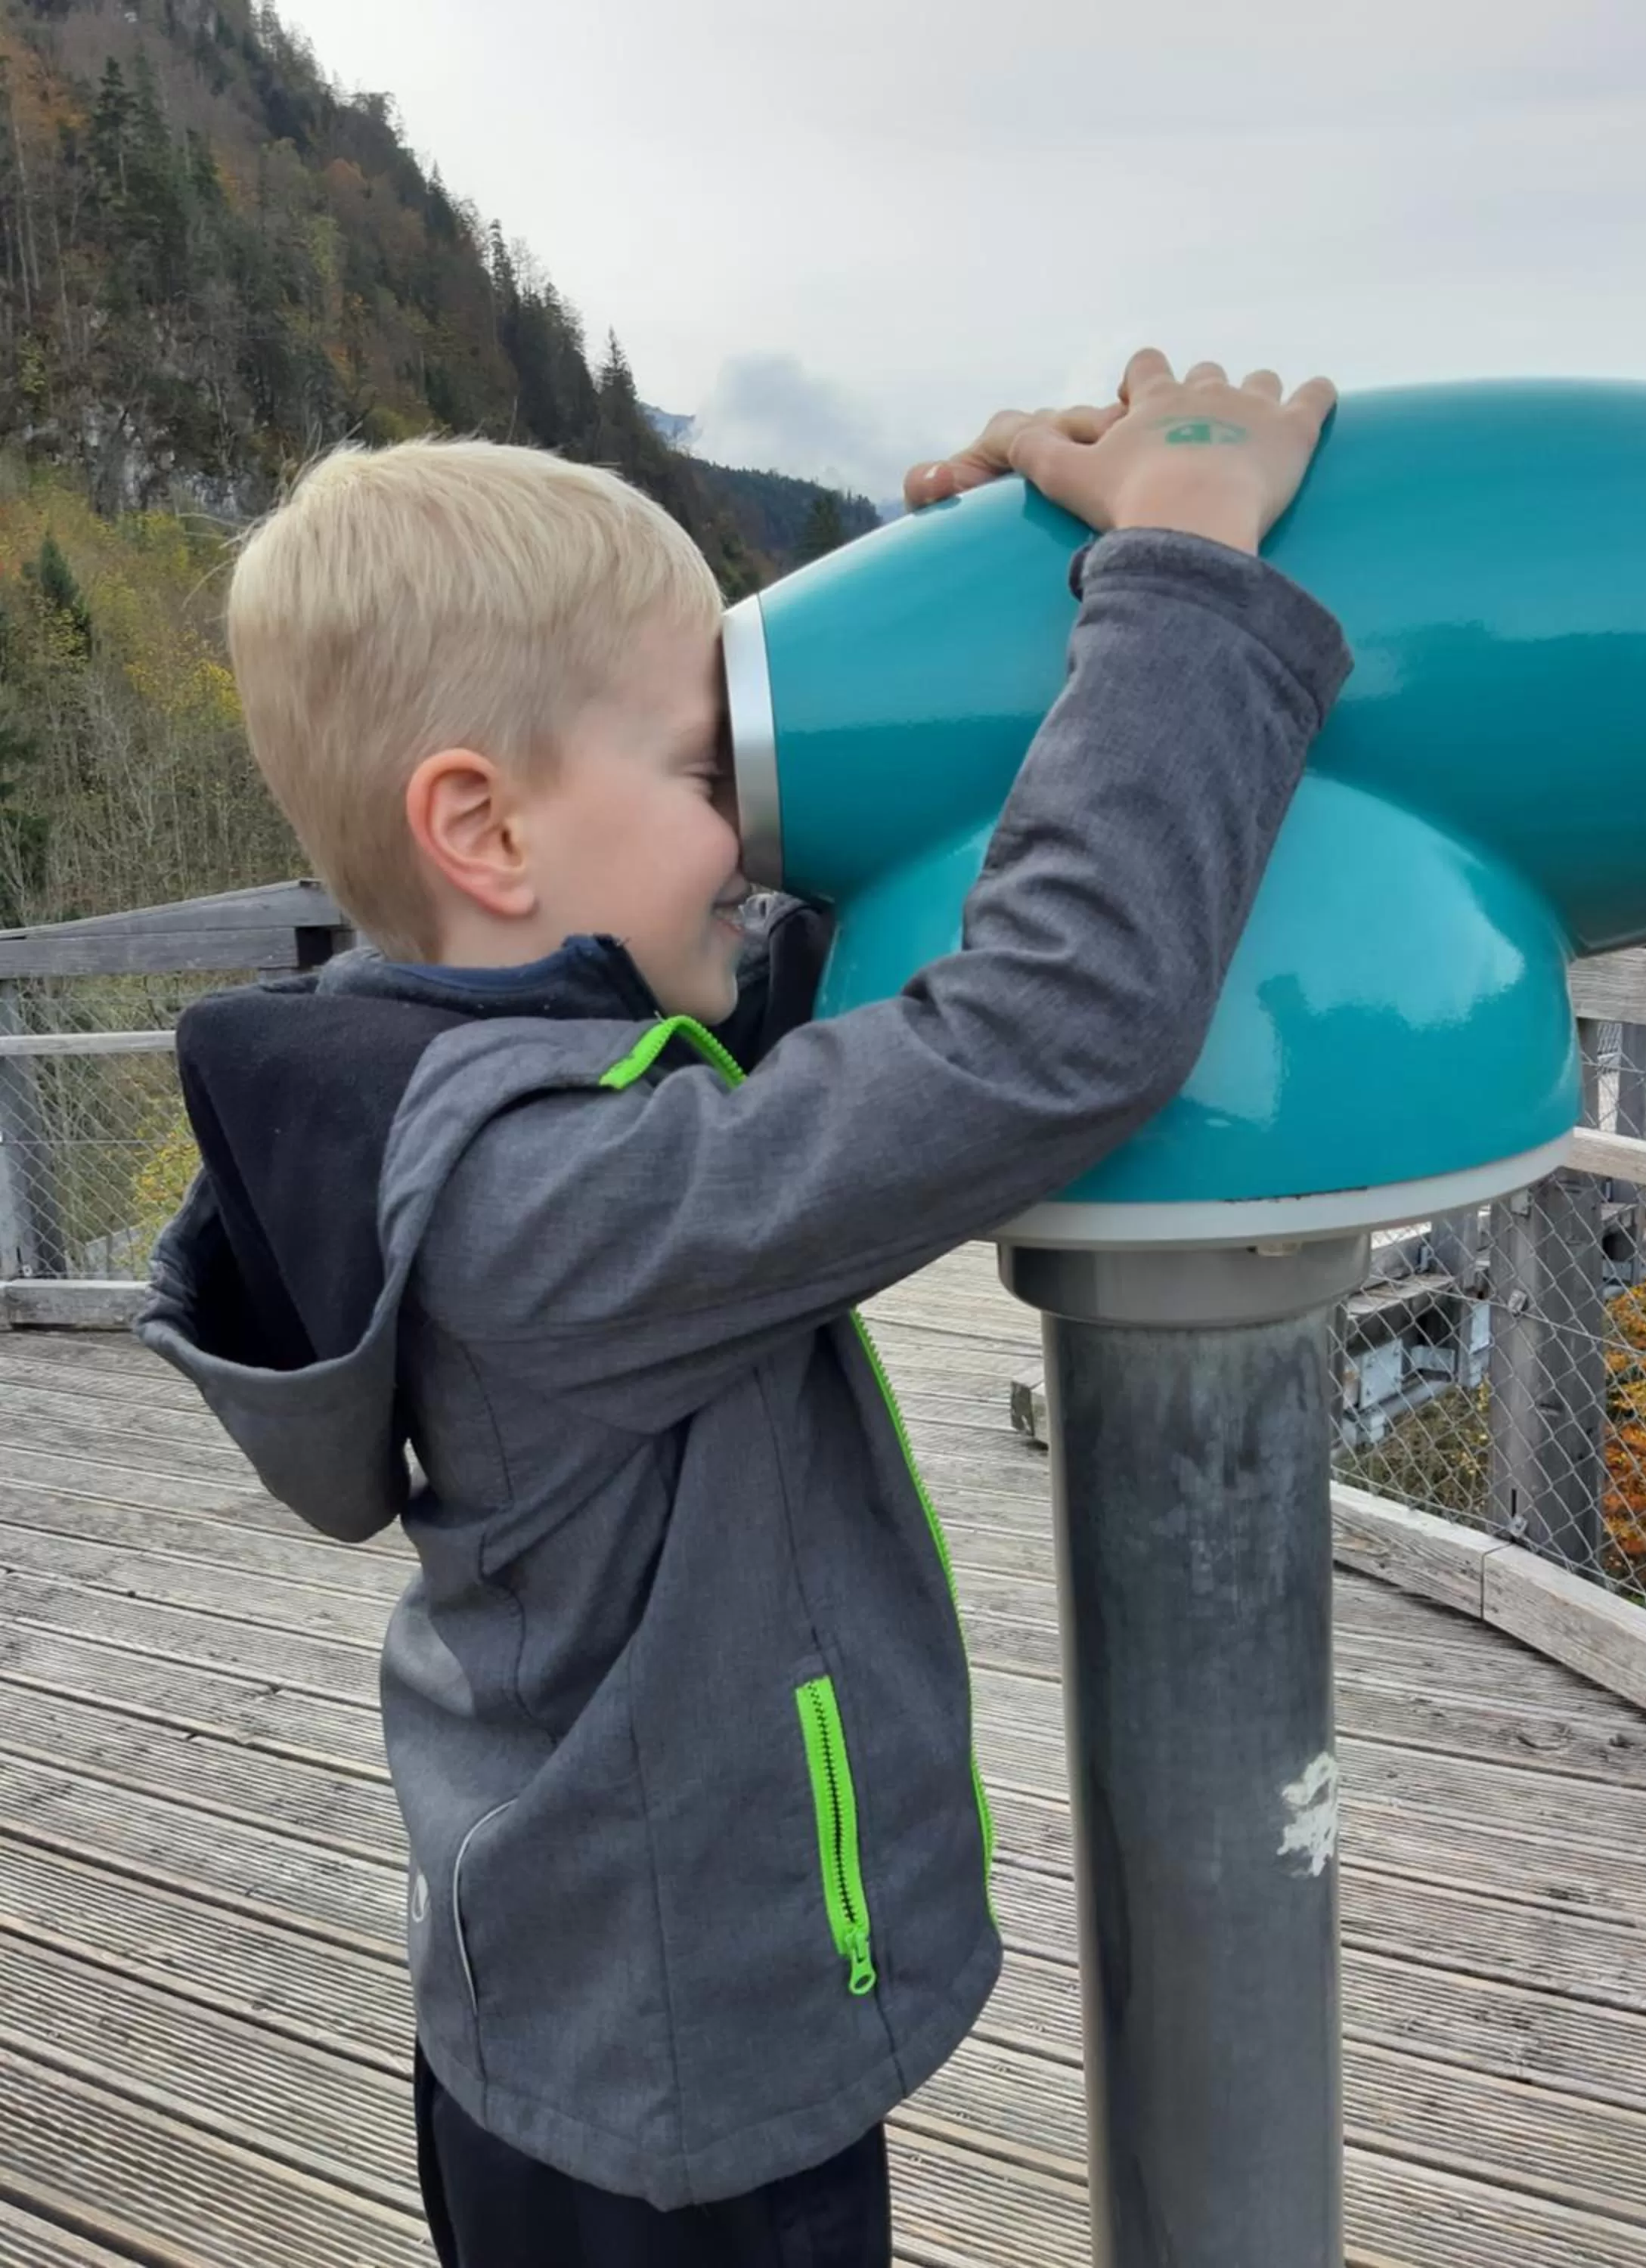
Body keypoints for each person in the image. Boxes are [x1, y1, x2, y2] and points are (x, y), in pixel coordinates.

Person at [135, 347, 1350, 2266]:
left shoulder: (515, 1083)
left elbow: (834, 970)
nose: (755, 826)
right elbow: (1050, 1026)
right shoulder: (551, 1203)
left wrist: (992, 585)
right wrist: (1187, 563)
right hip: (670, 2122)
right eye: (713, 774)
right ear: (487, 830)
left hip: (617, 2036)